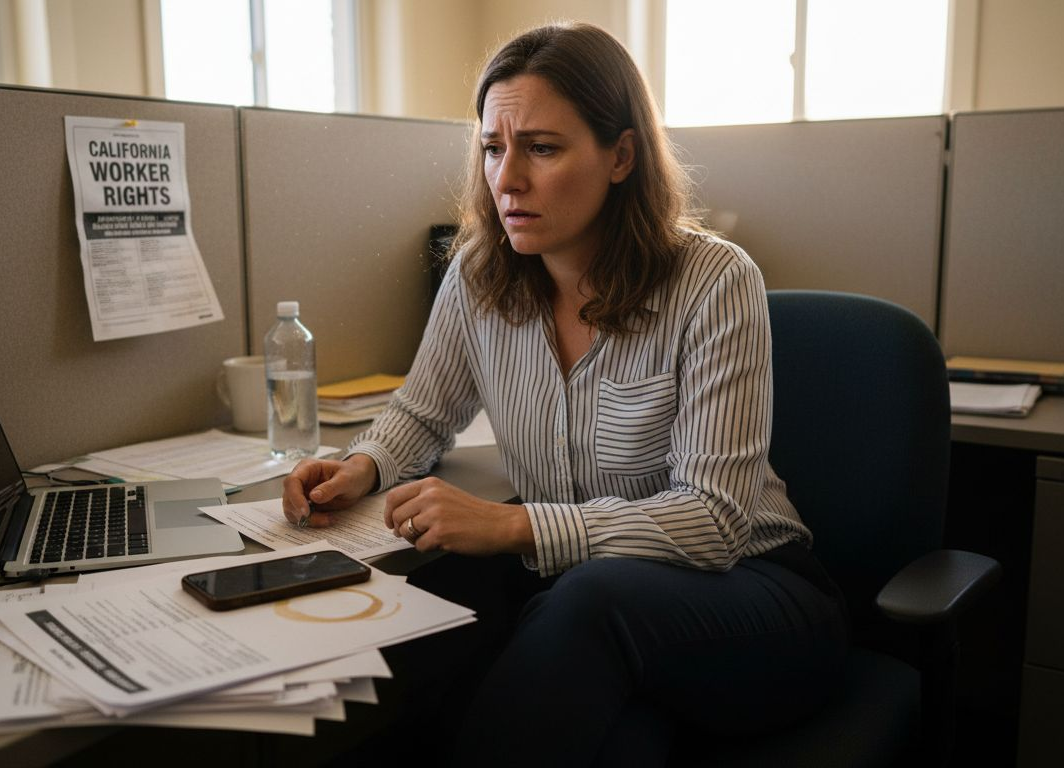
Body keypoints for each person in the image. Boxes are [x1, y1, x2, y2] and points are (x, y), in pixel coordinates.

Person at [281, 21, 847, 765]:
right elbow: (423, 411)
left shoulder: (714, 281)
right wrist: (362, 468)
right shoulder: (480, 272)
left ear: (621, 155)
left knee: (577, 601)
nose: (507, 178)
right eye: (493, 148)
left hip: (752, 597)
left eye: (541, 149)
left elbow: (713, 524)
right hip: (598, 615)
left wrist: (515, 528)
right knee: (608, 733)